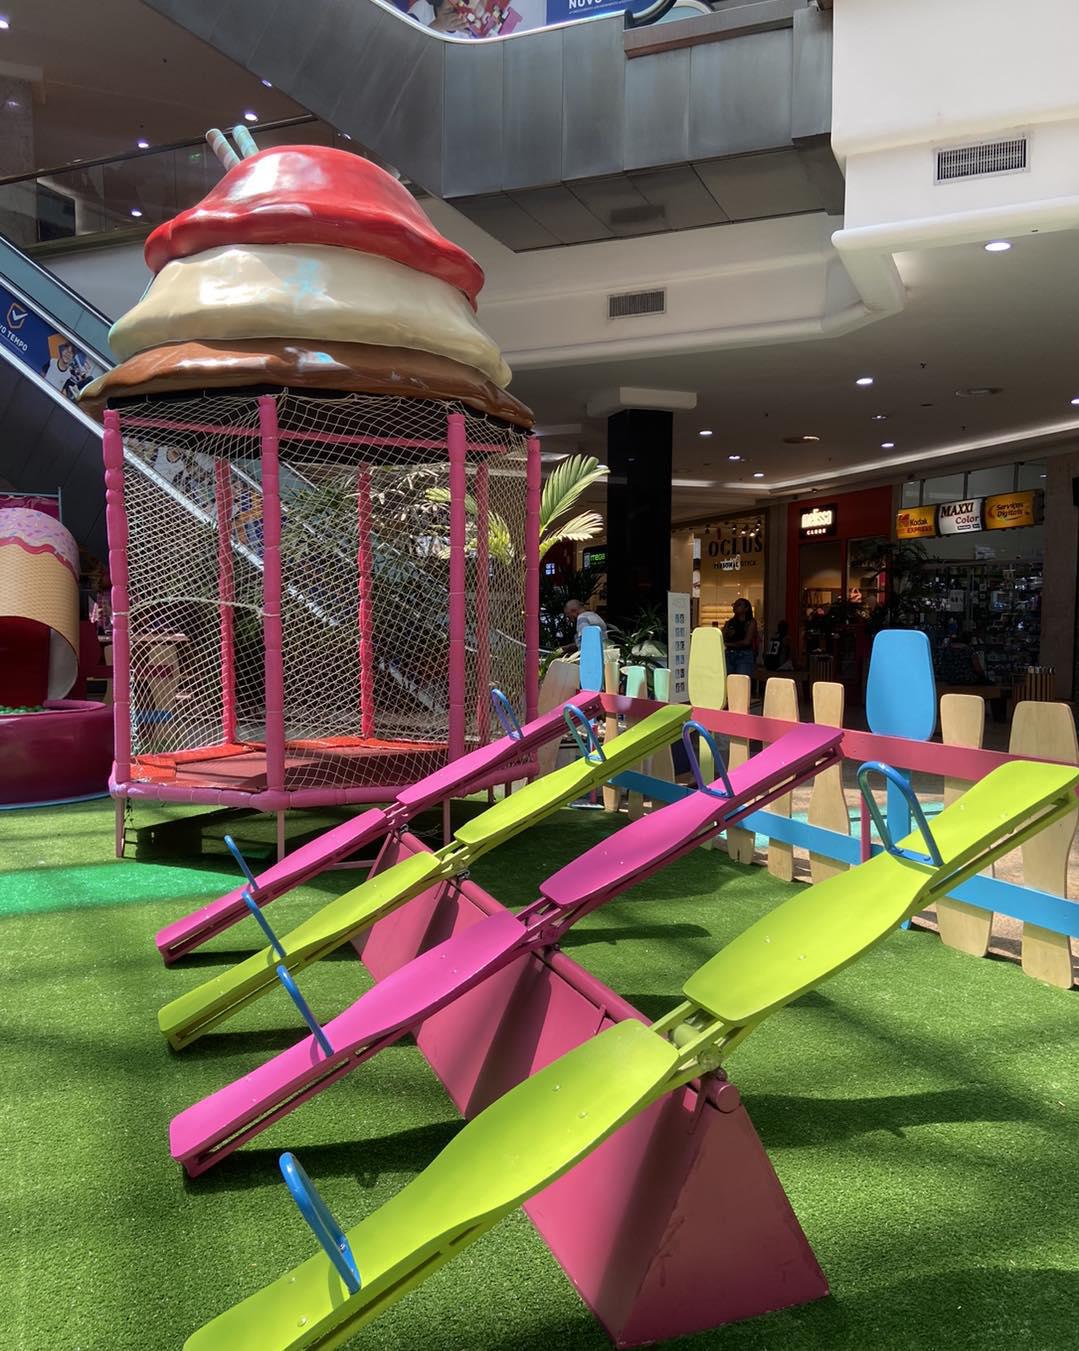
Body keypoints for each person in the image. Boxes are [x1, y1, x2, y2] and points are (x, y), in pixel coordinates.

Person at [722, 597, 758, 678]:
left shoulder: (751, 622)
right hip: (729, 654)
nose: (735, 607)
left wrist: (728, 644)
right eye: (734, 605)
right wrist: (726, 633)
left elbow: (747, 642)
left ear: (746, 608)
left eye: (738, 605)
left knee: (741, 680)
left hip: (744, 654)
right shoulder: (729, 622)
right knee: (729, 680)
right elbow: (722, 637)